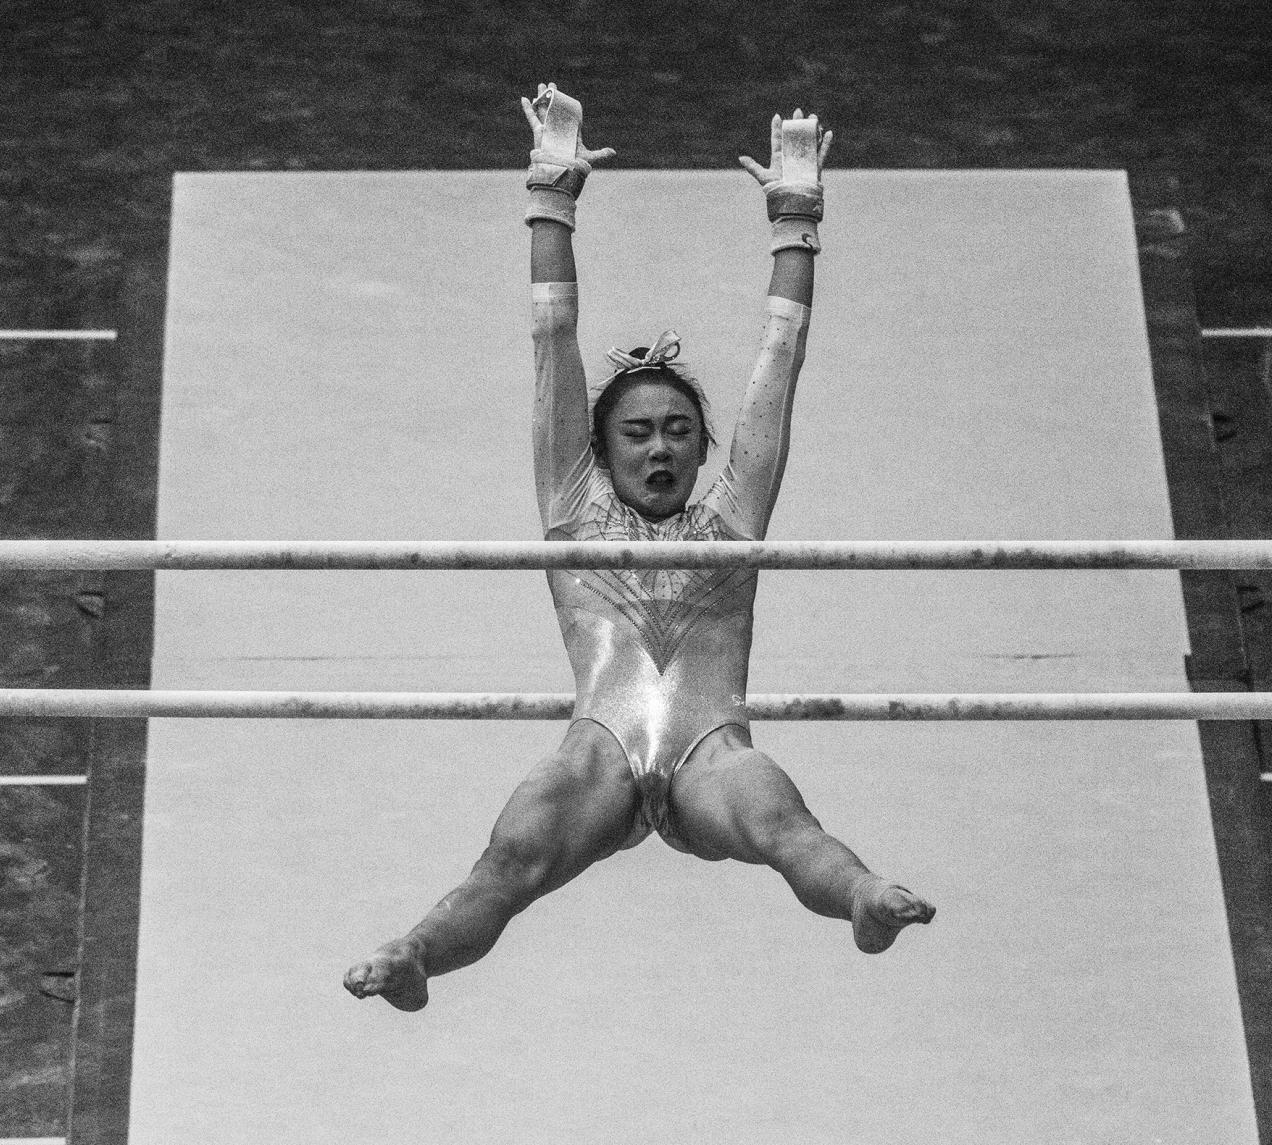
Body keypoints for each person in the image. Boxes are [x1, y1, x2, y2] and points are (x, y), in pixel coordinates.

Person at [344, 85, 934, 1011]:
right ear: (599, 447)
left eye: (677, 431)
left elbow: (779, 370)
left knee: (787, 825)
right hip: (602, 754)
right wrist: (551, 193)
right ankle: (415, 952)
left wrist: (798, 216)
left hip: (711, 753)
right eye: (637, 433)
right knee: (510, 861)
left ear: (705, 448)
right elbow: (553, 338)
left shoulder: (731, 520)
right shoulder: (570, 504)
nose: (659, 447)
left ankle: (862, 896)